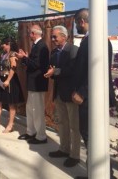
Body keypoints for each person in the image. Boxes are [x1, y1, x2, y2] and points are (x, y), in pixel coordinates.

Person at [71, 8, 116, 179]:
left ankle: (105, 175)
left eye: (76, 23)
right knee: (91, 136)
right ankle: (95, 174)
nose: (76, 27)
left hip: (92, 97)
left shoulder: (98, 40)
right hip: (89, 96)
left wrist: (81, 92)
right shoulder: (91, 39)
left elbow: (98, 70)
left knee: (94, 137)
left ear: (82, 21)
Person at [44, 25, 80, 167]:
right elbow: (53, 69)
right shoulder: (53, 52)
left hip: (71, 94)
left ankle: (75, 155)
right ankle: (64, 149)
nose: (52, 39)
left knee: (74, 126)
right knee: (62, 123)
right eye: (52, 37)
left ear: (64, 37)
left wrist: (56, 72)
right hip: (59, 93)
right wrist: (50, 73)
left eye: (55, 37)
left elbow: (73, 70)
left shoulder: (73, 50)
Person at [16, 24, 49, 144]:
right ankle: (31, 132)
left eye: (30, 33)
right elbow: (34, 63)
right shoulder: (37, 46)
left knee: (37, 110)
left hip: (37, 84)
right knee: (30, 109)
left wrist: (24, 58)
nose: (28, 35)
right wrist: (25, 57)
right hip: (33, 83)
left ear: (34, 34)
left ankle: (41, 136)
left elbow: (36, 64)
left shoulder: (42, 46)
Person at [0, 37, 24, 133]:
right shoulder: (3, 54)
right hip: (1, 79)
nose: (2, 46)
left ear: (7, 44)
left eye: (3, 44)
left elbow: (13, 68)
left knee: (11, 104)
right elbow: (0, 68)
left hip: (10, 80)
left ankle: (10, 125)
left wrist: (8, 80)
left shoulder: (12, 54)